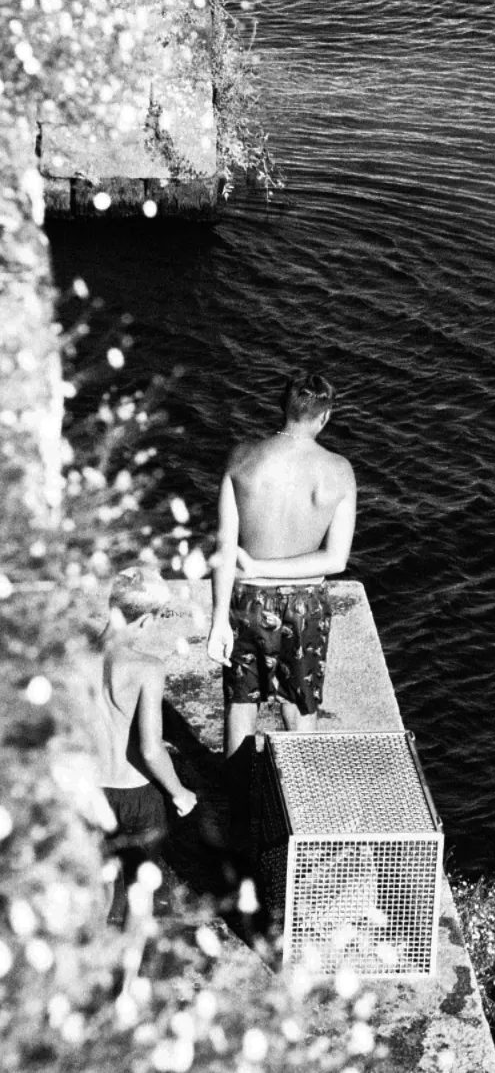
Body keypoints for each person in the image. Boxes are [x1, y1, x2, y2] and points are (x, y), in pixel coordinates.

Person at [208, 373, 356, 811]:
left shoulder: (242, 459)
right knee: (300, 706)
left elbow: (224, 547)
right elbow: (335, 561)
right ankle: (297, 807)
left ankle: (237, 808)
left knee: (241, 704)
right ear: (324, 417)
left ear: (283, 407)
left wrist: (219, 619)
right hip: (306, 607)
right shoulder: (339, 472)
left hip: (246, 601)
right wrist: (275, 573)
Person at [95, 566, 197, 924]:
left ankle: (91, 970)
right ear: (144, 621)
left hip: (92, 792)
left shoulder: (74, 655)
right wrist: (179, 793)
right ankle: (126, 982)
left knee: (100, 889)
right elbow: (151, 749)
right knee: (140, 895)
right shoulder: (147, 668)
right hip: (136, 797)